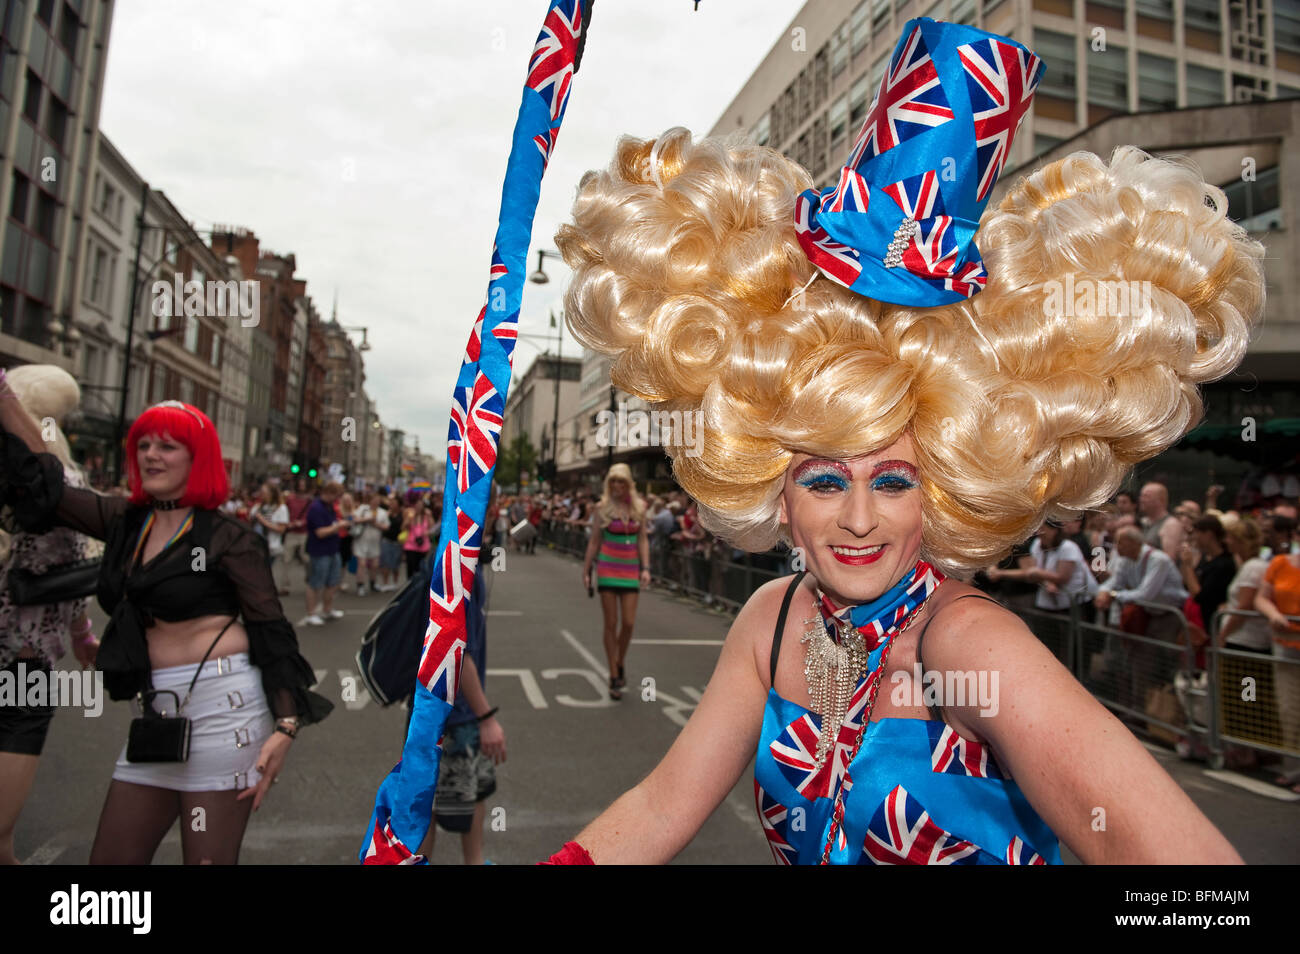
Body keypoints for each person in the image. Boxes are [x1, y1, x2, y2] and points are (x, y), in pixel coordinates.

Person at [540, 16, 1260, 865]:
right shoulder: (771, 622)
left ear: (945, 486)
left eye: (892, 481)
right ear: (773, 484)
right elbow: (661, 810)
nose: (856, 519)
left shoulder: (969, 644)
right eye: (822, 481)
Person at [0, 388, 332, 863]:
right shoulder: (125, 522)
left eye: (167, 446)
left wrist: (285, 727)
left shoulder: (227, 539)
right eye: (143, 445)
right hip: (154, 716)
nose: (151, 455)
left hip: (225, 716)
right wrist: (6, 398)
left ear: (197, 459)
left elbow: (272, 633)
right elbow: (46, 489)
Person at [0, 366, 96, 865]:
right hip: (26, 645)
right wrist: (82, 634)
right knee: (19, 723)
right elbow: (73, 568)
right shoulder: (59, 478)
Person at [581, 463, 650, 701]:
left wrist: (646, 568)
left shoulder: (640, 508)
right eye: (613, 481)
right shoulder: (601, 508)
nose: (617, 486)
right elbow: (594, 541)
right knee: (611, 623)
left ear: (628, 483)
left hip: (630, 569)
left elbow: (643, 540)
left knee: (629, 623)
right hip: (608, 568)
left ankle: (619, 660)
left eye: (621, 481)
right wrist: (587, 569)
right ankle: (613, 673)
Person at [1255, 514, 1300, 792]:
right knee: (1288, 710)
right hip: (1284, 647)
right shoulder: (1280, 563)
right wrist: (1272, 614)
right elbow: (1262, 597)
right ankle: (1293, 768)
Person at [303, 482, 347, 626]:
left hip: (332, 548)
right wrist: (337, 527)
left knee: (332, 581)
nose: (338, 499)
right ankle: (311, 613)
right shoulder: (316, 508)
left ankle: (327, 609)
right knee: (315, 582)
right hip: (319, 550)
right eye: (337, 495)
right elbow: (320, 532)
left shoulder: (329, 507)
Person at [252, 482, 290, 597]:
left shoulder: (281, 508)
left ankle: (265, 592)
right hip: (255, 543)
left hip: (270, 544)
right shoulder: (259, 506)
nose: (261, 495)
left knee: (265, 569)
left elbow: (281, 529)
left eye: (264, 493)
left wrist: (263, 521)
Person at [1139, 482, 1186, 564]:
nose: (1141, 499)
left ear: (1161, 500)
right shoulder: (1143, 522)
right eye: (1141, 496)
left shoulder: (1171, 524)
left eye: (1146, 496)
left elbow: (1169, 561)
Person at [352, 494, 382, 596]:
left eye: (377, 500)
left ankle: (372, 584)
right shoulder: (363, 509)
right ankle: (360, 585)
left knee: (374, 565)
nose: (376, 502)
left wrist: (376, 524)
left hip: (375, 543)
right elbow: (354, 519)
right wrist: (367, 519)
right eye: (374, 499)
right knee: (362, 564)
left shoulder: (382, 512)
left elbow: (386, 526)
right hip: (361, 541)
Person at [402, 498, 434, 580]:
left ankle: (418, 584)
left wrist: (427, 532)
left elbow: (432, 528)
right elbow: (403, 527)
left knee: (419, 567)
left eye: (420, 505)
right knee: (410, 565)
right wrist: (408, 520)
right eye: (417, 505)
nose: (419, 507)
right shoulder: (411, 515)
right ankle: (409, 583)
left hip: (423, 545)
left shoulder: (426, 517)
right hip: (411, 545)